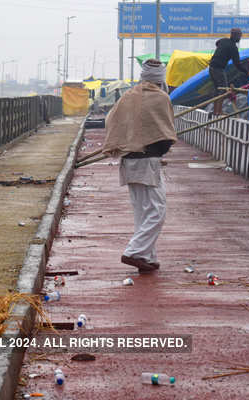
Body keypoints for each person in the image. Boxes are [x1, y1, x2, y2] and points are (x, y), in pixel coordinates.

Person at [102, 59, 178, 273]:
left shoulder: (128, 96)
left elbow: (111, 120)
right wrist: (161, 147)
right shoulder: (162, 98)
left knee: (142, 212)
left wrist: (122, 141)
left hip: (128, 160)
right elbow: (165, 131)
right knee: (157, 211)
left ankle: (148, 257)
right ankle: (134, 251)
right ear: (160, 78)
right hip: (147, 162)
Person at [209, 28, 249, 115]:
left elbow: (217, 43)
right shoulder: (233, 47)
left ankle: (215, 111)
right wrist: (247, 72)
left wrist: (221, 50)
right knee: (223, 89)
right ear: (236, 36)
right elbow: (237, 64)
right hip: (218, 69)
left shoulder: (224, 41)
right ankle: (219, 111)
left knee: (217, 89)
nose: (240, 38)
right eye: (239, 36)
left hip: (211, 68)